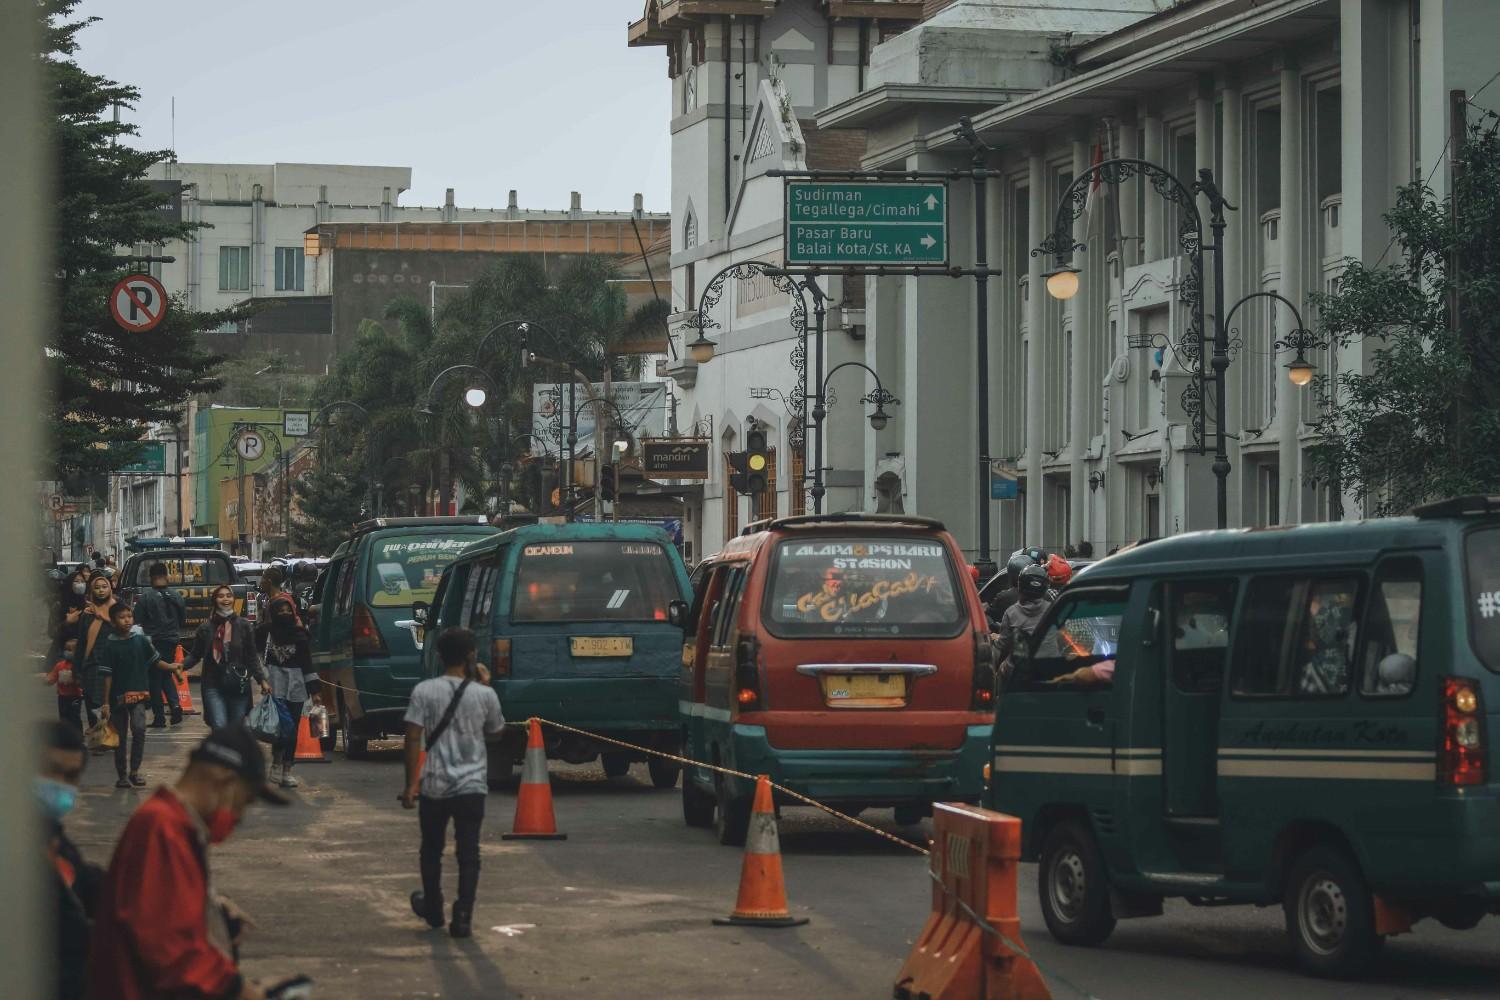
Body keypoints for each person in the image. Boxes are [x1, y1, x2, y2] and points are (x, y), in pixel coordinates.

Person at [87, 726, 289, 1000]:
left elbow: (164, 910)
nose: (240, 816)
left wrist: (211, 911)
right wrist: (241, 991)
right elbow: (170, 953)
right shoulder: (162, 828)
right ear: (226, 781)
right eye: (245, 801)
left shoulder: (178, 826)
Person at [401, 627, 505, 939]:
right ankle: (463, 914)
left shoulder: (424, 691)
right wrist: (484, 685)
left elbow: (413, 736)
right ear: (472, 656)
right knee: (469, 851)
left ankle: (433, 907)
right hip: (472, 785)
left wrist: (410, 784)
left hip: (434, 784)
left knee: (431, 849)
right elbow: (496, 732)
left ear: (439, 655)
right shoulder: (484, 694)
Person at [41, 719, 103, 1000]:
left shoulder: (52, 837)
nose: (60, 784)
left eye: (71, 776)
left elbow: (87, 881)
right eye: (51, 771)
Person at [97, 603, 183, 789]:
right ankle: (121, 775)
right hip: (117, 699)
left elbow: (156, 661)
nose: (127, 620)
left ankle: (134, 771)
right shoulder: (110, 645)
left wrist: (171, 667)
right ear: (113, 621)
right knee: (119, 738)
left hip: (139, 696)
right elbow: (107, 676)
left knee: (139, 730)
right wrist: (105, 703)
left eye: (129, 616)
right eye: (122, 617)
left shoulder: (141, 641)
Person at [257, 565, 320, 788]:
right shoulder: (265, 634)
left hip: (296, 685)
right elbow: (251, 652)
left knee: (292, 727)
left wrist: (315, 691)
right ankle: (276, 764)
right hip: (275, 682)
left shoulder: (300, 636)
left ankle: (286, 768)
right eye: (279, 611)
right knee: (285, 727)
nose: (284, 613)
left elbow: (307, 662)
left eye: (287, 611)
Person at [184, 585, 270, 730]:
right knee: (219, 726)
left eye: (228, 596)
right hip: (213, 684)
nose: (225, 599)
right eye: (221, 596)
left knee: (236, 729)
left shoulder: (243, 626)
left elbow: (252, 656)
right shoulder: (205, 628)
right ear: (214, 600)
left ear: (233, 599)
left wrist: (262, 680)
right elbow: (195, 655)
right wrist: (180, 666)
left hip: (238, 685)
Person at [132, 562, 187, 728]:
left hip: (153, 641)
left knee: (154, 678)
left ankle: (159, 717)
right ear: (166, 575)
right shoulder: (177, 595)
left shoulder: (146, 597)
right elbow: (183, 618)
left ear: (151, 577)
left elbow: (137, 621)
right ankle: (175, 706)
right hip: (172, 639)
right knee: (165, 674)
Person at [993, 563, 1054, 681]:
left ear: (1020, 586)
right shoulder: (1054, 609)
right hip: (1048, 667)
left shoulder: (1011, 612)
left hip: (1019, 671)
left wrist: (996, 638)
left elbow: (1003, 644)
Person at [76, 572, 119, 730]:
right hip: (93, 666)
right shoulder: (87, 615)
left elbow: (126, 631)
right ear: (91, 591)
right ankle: (98, 737)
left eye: (104, 587)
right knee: (92, 703)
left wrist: (104, 617)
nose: (101, 590)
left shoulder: (118, 611)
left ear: (110, 589)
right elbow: (82, 643)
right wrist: (77, 669)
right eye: (97, 588)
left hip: (114, 667)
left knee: (113, 704)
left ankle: (112, 736)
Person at [47, 638, 87, 732]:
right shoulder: (60, 665)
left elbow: (83, 680)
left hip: (75, 696)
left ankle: (78, 736)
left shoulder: (79, 665)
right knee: (63, 718)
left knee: (74, 717)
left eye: (70, 650)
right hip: (62, 696)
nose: (67, 652)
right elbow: (52, 677)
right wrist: (48, 680)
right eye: (66, 649)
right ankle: (65, 738)